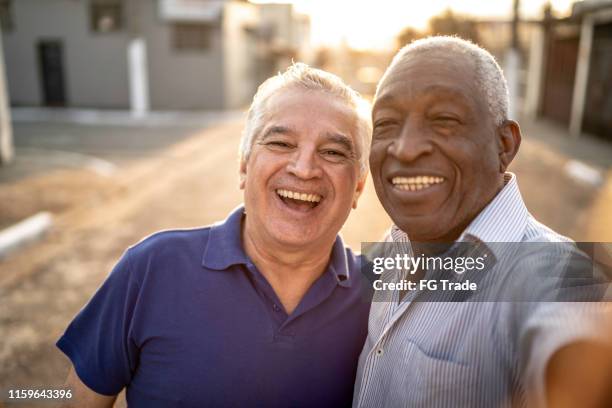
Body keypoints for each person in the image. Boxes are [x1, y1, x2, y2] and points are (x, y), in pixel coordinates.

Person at [57, 63, 373, 407]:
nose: (304, 168)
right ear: (243, 165)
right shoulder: (151, 267)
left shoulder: (382, 295)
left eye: (332, 152)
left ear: (358, 186)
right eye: (281, 143)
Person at [353, 36, 612, 407]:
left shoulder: (562, 277)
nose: (405, 148)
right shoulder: (394, 247)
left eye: (444, 119)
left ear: (504, 144)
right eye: (387, 123)